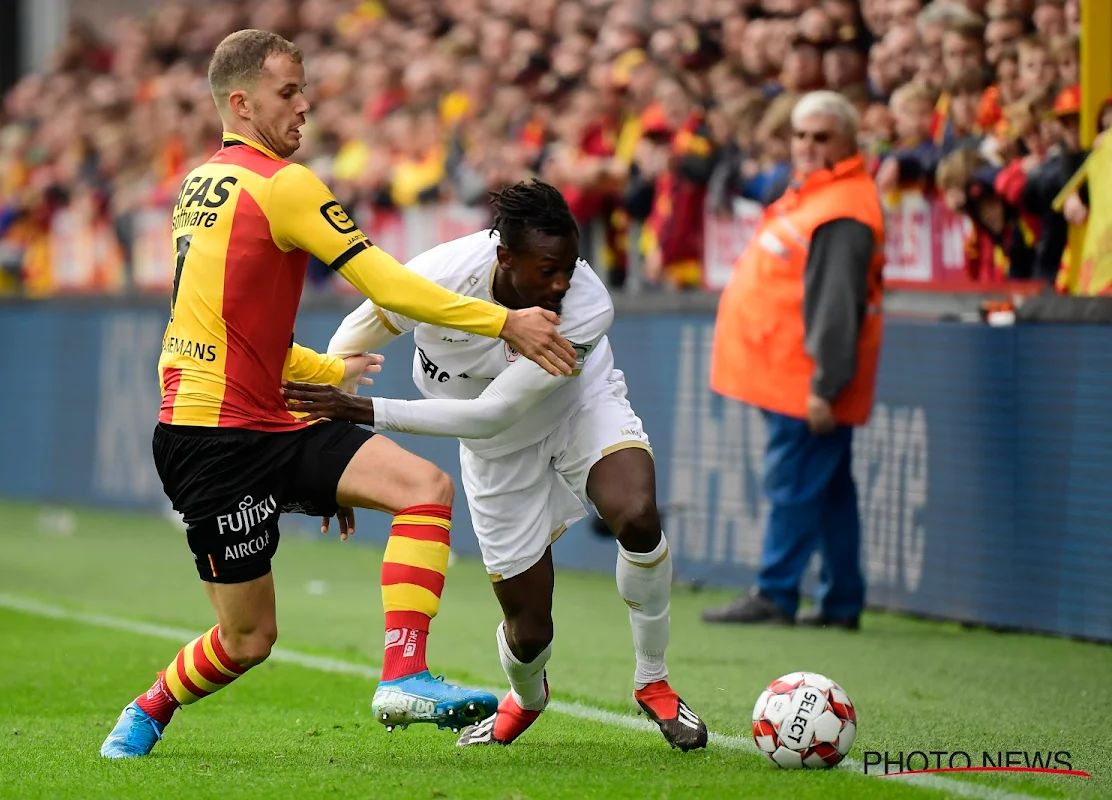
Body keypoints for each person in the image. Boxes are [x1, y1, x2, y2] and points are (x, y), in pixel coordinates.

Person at [100, 30, 577, 759]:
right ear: (240, 101)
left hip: (262, 415)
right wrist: (503, 320)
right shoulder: (283, 184)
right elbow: (387, 285)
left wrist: (326, 376)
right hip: (214, 440)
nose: (304, 105)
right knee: (248, 639)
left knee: (424, 487)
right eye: (288, 92)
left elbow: (226, 321)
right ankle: (150, 706)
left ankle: (403, 674)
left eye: (303, 89)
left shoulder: (202, 182)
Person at [282, 180, 709, 752]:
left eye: (571, 266)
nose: (563, 284)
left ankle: (653, 680)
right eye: (547, 270)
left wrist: (359, 408)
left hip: (578, 407)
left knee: (636, 516)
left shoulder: (587, 304)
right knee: (530, 632)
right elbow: (352, 337)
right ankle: (527, 698)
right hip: (495, 454)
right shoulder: (442, 273)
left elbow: (492, 410)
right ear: (504, 258)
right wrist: (332, 434)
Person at [698, 91, 885, 631]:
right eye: (801, 135)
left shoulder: (843, 206)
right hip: (787, 374)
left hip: (804, 381)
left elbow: (836, 306)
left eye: (821, 136)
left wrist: (826, 385)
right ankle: (841, 601)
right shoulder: (817, 195)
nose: (807, 145)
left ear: (849, 141)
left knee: (795, 483)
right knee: (828, 490)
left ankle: (777, 593)